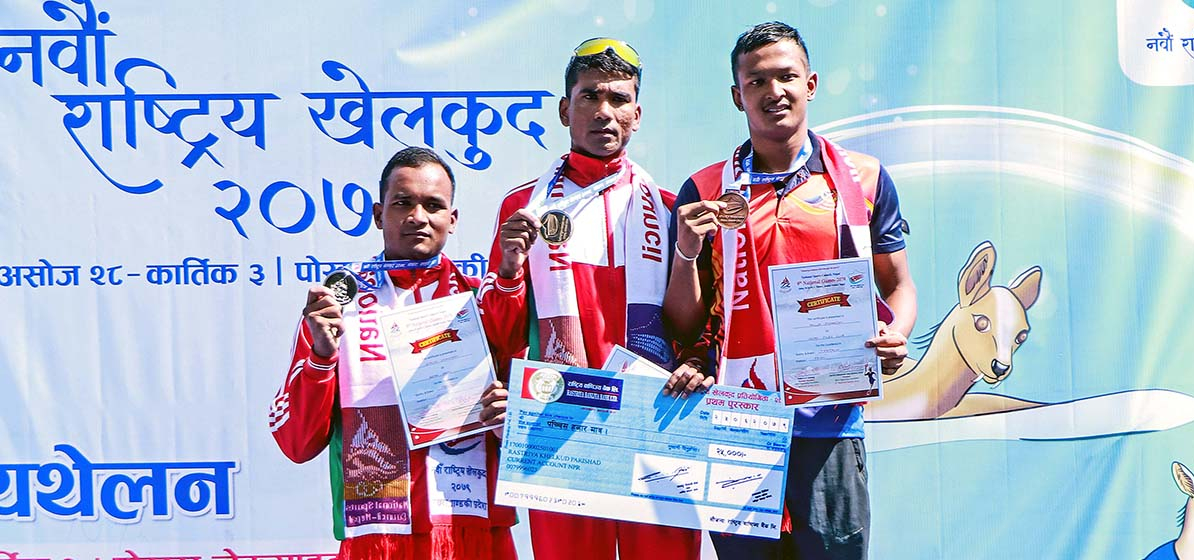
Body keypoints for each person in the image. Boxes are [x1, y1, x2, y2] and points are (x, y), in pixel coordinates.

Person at [663, 22, 917, 560]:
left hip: (830, 421)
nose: (773, 91)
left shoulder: (864, 179)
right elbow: (684, 325)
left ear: (811, 84)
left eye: (786, 76)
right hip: (736, 420)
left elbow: (898, 286)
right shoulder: (704, 190)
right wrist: (686, 250)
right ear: (737, 96)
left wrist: (894, 334)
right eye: (756, 81)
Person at [476, 38, 702, 560]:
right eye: (590, 96)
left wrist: (695, 361)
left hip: (654, 423)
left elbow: (695, 327)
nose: (604, 111)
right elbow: (500, 337)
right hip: (558, 429)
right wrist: (508, 272)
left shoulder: (671, 208)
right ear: (565, 110)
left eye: (619, 99)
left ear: (637, 115)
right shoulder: (524, 207)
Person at [268, 147, 517, 560]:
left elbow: (536, 427)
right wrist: (321, 360)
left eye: (433, 205)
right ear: (378, 214)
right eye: (403, 203)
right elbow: (296, 442)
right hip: (378, 534)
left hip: (471, 529)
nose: (418, 217)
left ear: (452, 219)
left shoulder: (484, 302)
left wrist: (509, 419)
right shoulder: (337, 306)